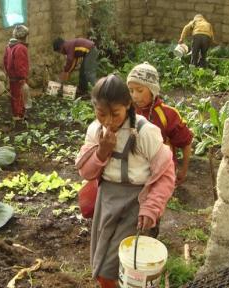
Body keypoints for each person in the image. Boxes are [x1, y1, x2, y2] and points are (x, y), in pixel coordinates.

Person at [75, 75, 175, 288]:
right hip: (106, 201)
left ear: (128, 105)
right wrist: (102, 152)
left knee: (113, 267)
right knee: (102, 260)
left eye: (116, 114)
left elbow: (166, 175)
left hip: (136, 202)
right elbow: (85, 172)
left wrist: (151, 208)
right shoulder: (95, 130)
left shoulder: (145, 133)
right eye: (102, 114)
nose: (109, 121)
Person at [127, 62, 193, 185]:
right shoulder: (128, 111)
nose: (134, 96)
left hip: (161, 174)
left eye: (139, 90)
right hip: (134, 174)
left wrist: (183, 170)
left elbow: (186, 143)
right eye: (131, 91)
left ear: (153, 90)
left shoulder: (168, 115)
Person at [3, 25, 29, 121]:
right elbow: (20, 64)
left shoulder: (9, 46)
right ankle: (19, 115)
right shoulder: (20, 48)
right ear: (25, 36)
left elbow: (5, 61)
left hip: (12, 76)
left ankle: (16, 114)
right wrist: (23, 77)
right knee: (20, 96)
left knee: (14, 96)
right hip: (18, 77)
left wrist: (8, 73)